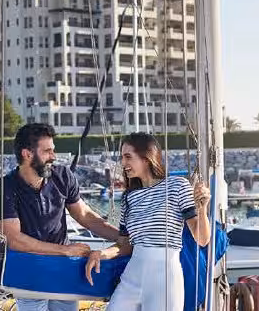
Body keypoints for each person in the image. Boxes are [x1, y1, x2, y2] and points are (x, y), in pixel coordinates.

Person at [0, 123, 125, 311]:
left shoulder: (63, 176)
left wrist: (123, 237)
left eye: (53, 150)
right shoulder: (5, 188)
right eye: (47, 151)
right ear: (27, 154)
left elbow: (85, 215)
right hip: (28, 270)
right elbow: (13, 239)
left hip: (63, 270)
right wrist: (65, 251)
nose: (53, 156)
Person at [84, 132, 212, 311]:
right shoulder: (129, 197)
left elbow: (202, 239)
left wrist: (202, 208)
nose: (123, 163)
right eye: (122, 157)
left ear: (146, 158)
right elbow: (124, 245)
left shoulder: (177, 186)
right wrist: (101, 253)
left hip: (164, 279)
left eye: (128, 157)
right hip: (132, 276)